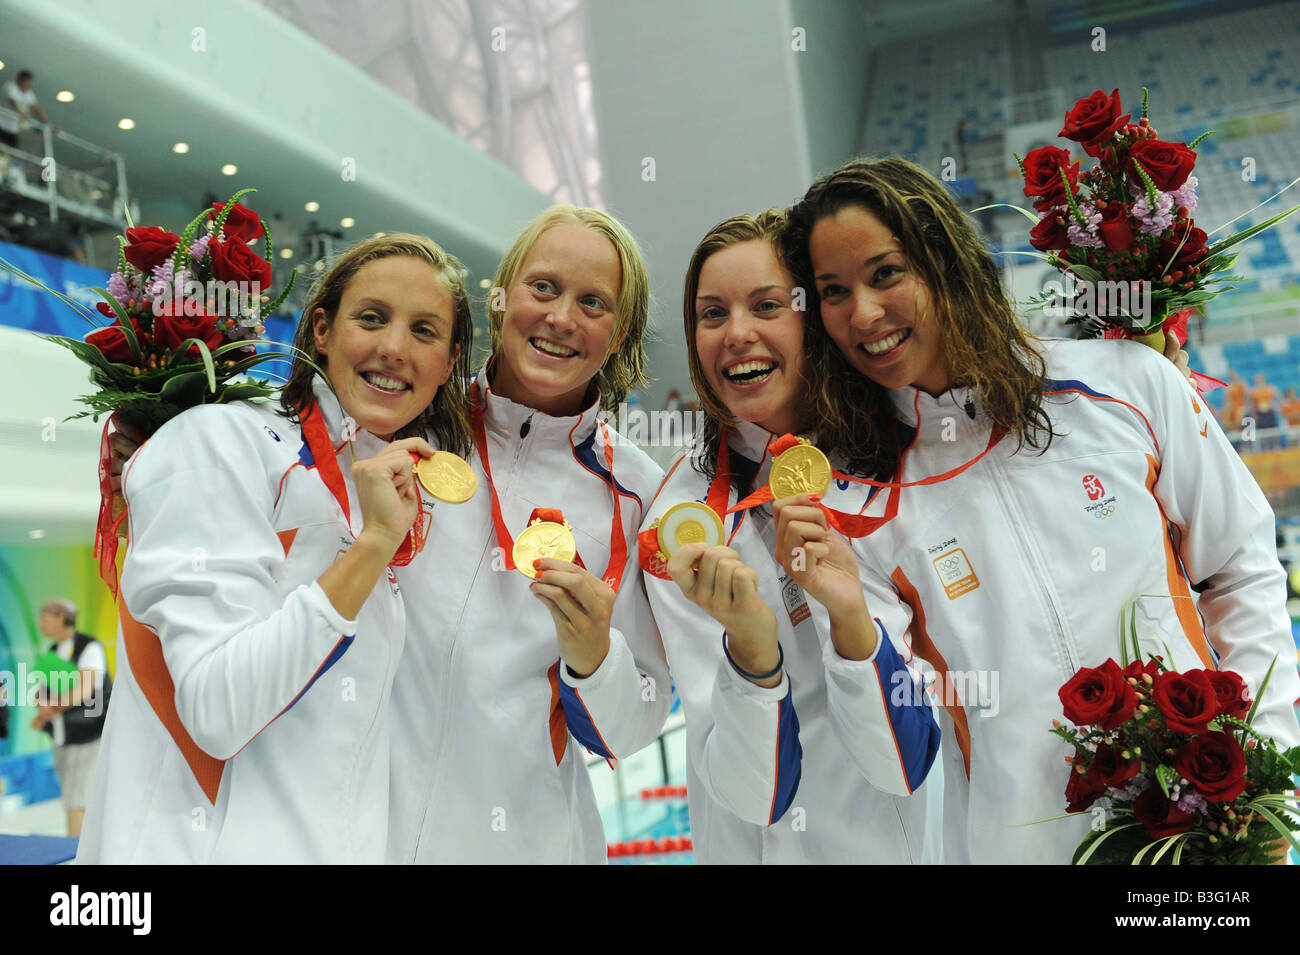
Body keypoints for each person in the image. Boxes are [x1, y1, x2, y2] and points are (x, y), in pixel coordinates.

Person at [778, 156, 1300, 864]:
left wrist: (1267, 773)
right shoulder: (859, 505)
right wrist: (848, 623)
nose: (863, 313)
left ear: (944, 259)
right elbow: (893, 763)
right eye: (834, 290)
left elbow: (1238, 566)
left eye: (885, 273)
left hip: (1207, 840)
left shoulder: (1123, 385)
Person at [78, 233, 475, 863]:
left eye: (424, 331)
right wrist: (371, 545)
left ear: (449, 363)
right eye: (371, 318)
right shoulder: (219, 441)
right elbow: (217, 709)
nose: (394, 348)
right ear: (320, 329)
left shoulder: (382, 490)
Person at [639, 211, 942, 863]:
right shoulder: (679, 519)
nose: (737, 333)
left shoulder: (900, 461)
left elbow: (905, 762)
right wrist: (751, 648)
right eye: (712, 313)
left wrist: (850, 617)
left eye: (767, 305)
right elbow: (755, 795)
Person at [387, 205, 671, 863]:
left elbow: (631, 730)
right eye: (543, 288)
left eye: (593, 302)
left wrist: (594, 655)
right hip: (370, 830)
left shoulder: (636, 493)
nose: (562, 317)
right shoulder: (411, 427)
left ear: (621, 330)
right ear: (501, 298)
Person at [30, 599, 111, 837]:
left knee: (76, 800)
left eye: (45, 617)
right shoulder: (52, 652)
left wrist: (52, 707)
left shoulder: (89, 647)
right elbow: (44, 691)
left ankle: (76, 855)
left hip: (87, 735)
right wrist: (42, 704)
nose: (40, 623)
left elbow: (85, 691)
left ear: (62, 619)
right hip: (61, 736)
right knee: (72, 798)